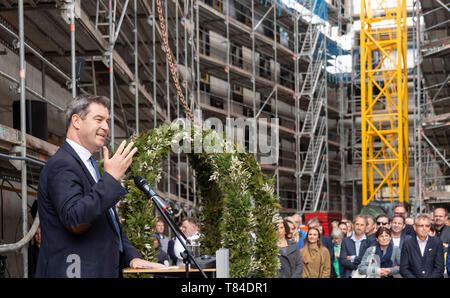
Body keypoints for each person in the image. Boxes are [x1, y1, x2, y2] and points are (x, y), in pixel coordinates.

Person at [36, 94, 164, 278]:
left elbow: (107, 221)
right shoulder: (62, 164)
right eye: (99, 120)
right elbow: (75, 220)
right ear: (76, 121)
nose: (106, 127)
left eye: (108, 121)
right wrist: (111, 178)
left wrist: (131, 257)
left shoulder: (90, 165)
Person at [400, 214, 445, 278]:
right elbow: (404, 269)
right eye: (421, 226)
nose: (424, 228)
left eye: (427, 226)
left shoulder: (437, 243)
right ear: (415, 227)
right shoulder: (407, 244)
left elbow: (439, 268)